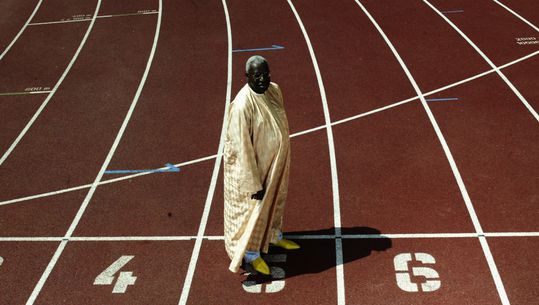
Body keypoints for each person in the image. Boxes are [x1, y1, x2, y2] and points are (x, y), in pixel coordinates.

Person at [223, 55, 299, 275]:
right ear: (247, 77)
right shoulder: (241, 106)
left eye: (266, 74)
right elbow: (241, 148)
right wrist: (253, 183)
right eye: (257, 75)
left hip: (275, 164)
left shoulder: (273, 90)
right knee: (253, 214)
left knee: (276, 201)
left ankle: (274, 235)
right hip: (255, 170)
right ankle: (251, 254)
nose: (263, 79)